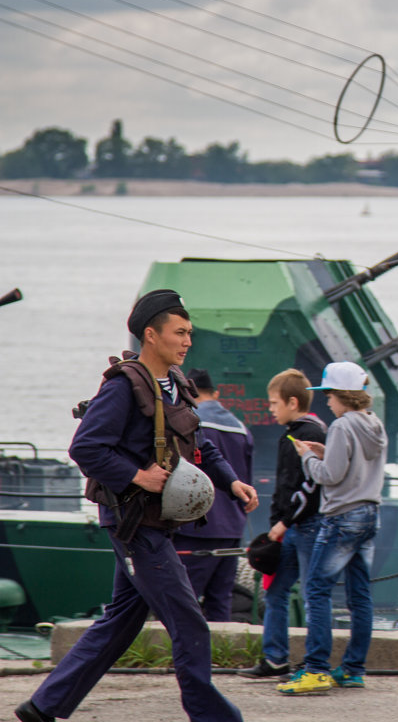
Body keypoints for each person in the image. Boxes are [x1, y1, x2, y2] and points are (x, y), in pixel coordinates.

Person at [15, 289, 258, 722]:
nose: (187, 342)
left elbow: (197, 444)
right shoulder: (125, 386)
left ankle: (43, 707)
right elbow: (86, 447)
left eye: (190, 334)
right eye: (180, 333)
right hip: (134, 523)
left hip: (156, 521)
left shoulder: (178, 384)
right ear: (151, 334)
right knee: (187, 620)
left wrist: (231, 481)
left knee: (121, 622)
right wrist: (137, 476)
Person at [276, 361, 385, 695]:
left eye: (328, 394)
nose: (325, 401)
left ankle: (317, 669)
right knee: (360, 595)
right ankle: (353, 669)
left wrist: (307, 457)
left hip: (341, 517)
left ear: (342, 395)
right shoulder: (374, 424)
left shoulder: (341, 426)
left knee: (317, 590)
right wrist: (324, 451)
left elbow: (328, 476)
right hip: (369, 514)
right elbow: (352, 463)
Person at [239, 367, 328, 678]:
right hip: (291, 529)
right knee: (276, 592)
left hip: (305, 528)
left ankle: (316, 664)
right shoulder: (298, 431)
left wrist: (283, 523)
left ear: (292, 402)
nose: (270, 409)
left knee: (312, 594)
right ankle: (275, 659)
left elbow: (309, 486)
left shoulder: (308, 434)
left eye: (274, 403)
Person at [175, 367, 254, 622]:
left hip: (197, 528)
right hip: (232, 529)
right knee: (221, 602)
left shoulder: (189, 421)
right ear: (216, 393)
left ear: (187, 392)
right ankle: (220, 657)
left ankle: (186, 659)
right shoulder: (240, 427)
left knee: (184, 600)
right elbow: (246, 481)